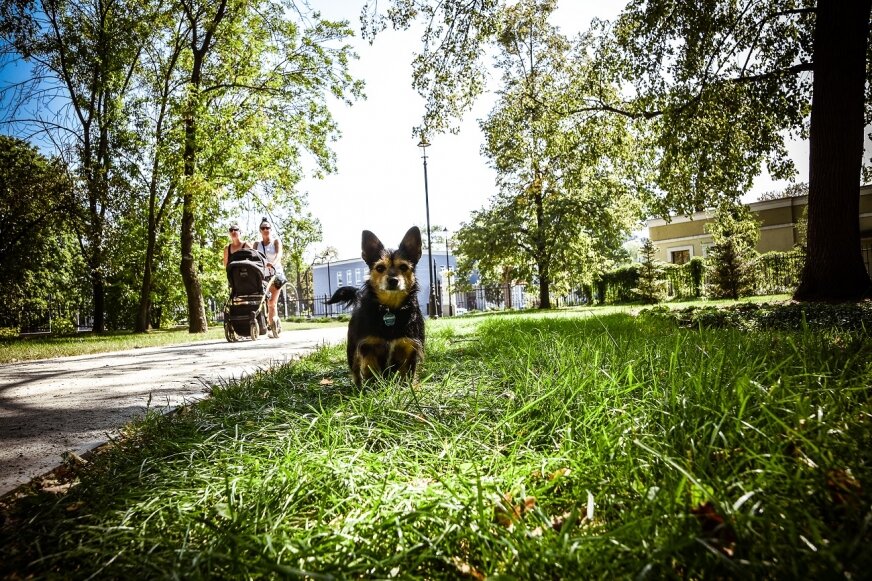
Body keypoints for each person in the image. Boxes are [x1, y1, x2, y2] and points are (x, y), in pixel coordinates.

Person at [255, 217, 286, 328]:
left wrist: (272, 263)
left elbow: (279, 255)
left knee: (272, 302)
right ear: (260, 230)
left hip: (277, 275)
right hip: (264, 277)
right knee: (266, 303)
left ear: (270, 229)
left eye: (267, 228)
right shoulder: (257, 245)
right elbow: (254, 258)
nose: (265, 230)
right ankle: (273, 325)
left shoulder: (276, 242)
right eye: (263, 228)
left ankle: (273, 326)